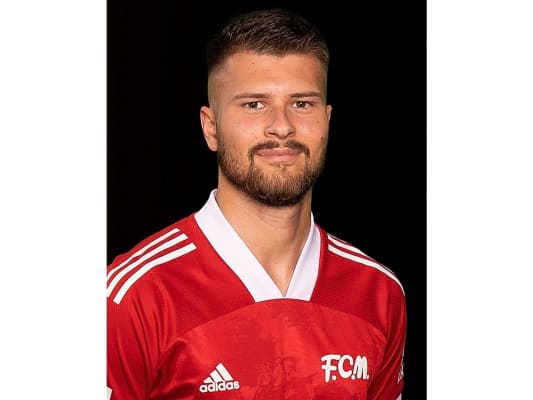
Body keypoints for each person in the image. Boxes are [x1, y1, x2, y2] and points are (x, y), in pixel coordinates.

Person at [107, 8, 407, 400]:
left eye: (302, 103)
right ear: (211, 128)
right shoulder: (134, 297)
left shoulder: (379, 294)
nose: (281, 126)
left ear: (327, 121)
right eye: (254, 104)